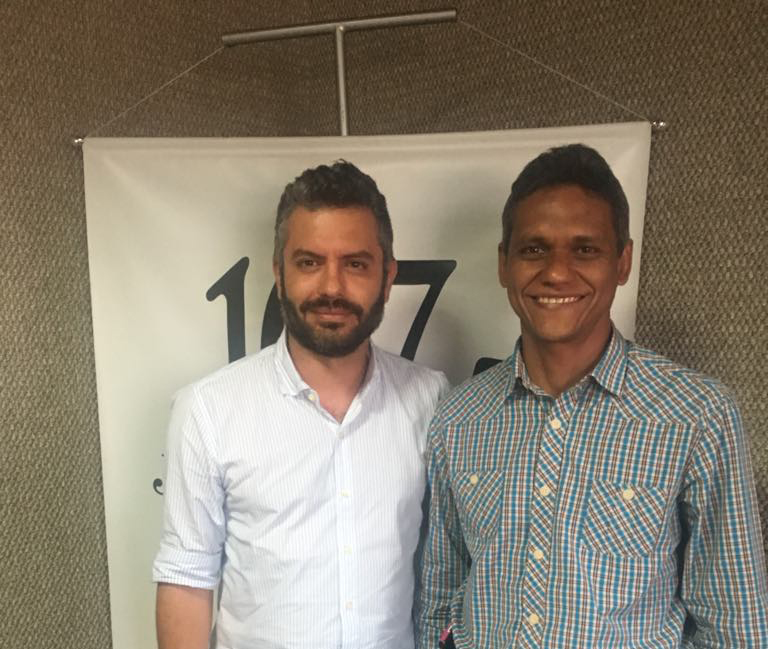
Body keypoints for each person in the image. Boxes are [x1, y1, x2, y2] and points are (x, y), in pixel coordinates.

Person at [415, 144, 768, 648]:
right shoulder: (459, 416)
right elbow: (439, 596)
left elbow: (735, 627)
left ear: (622, 261)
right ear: (504, 264)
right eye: (534, 249)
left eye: (585, 250)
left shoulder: (696, 415)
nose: (557, 272)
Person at [153, 160, 449, 649]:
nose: (332, 287)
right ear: (279, 272)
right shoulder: (207, 410)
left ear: (388, 275)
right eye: (309, 262)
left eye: (355, 264)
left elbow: (448, 565)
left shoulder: (431, 399)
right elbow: (186, 580)